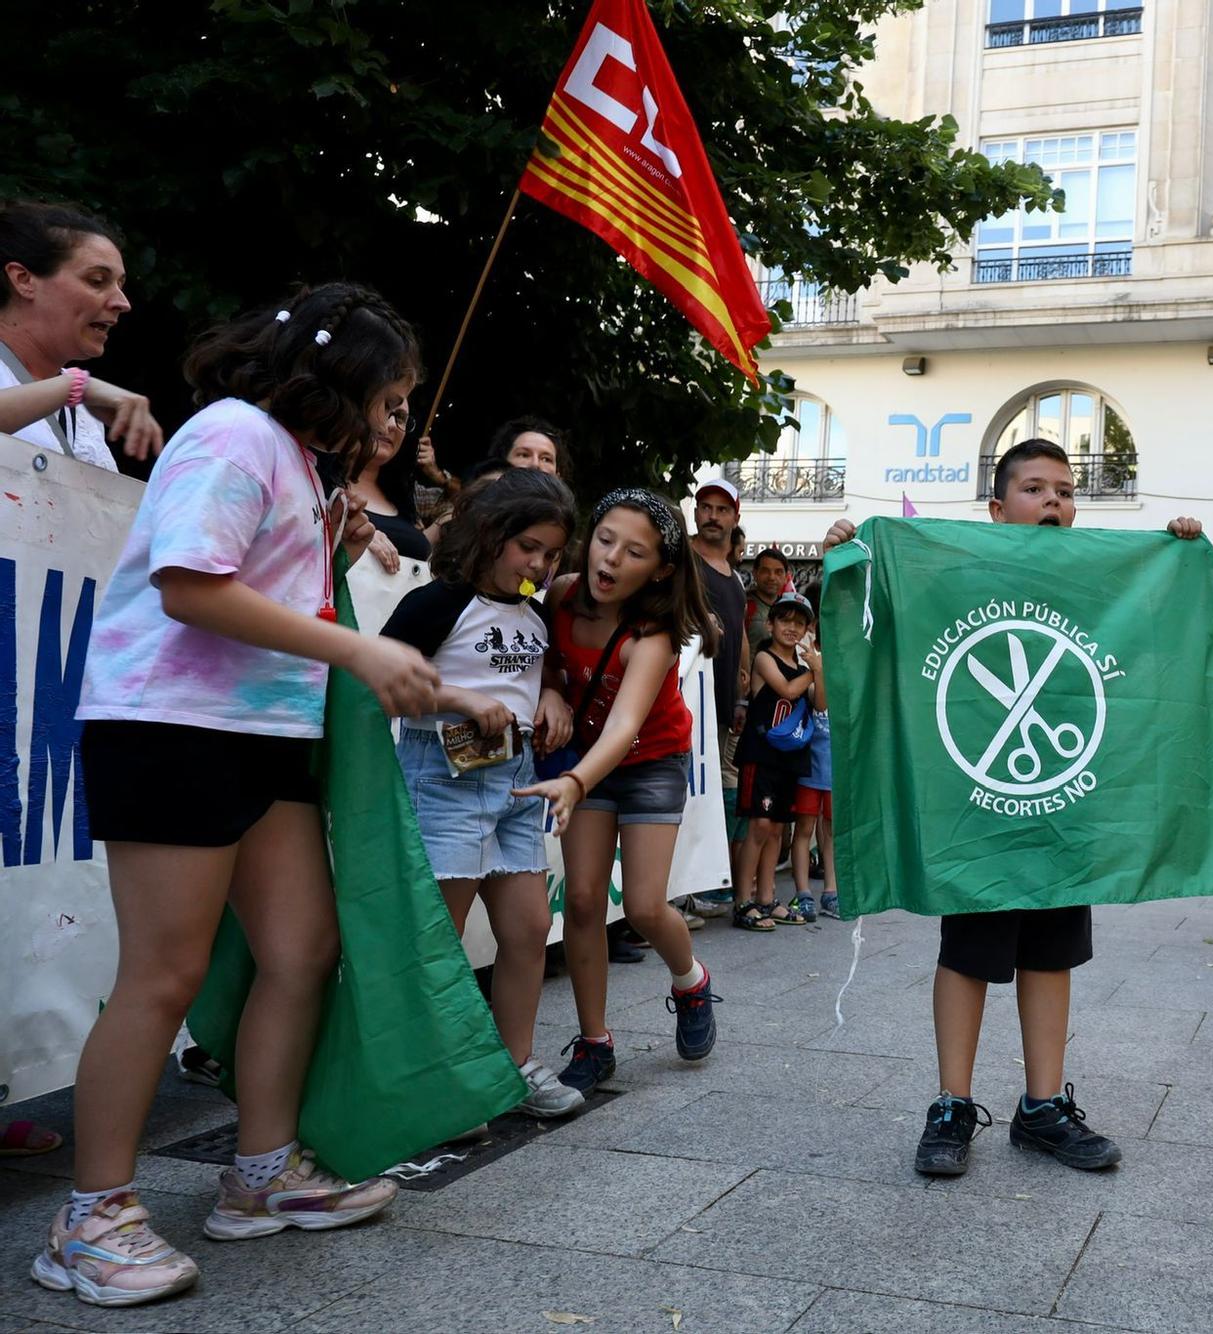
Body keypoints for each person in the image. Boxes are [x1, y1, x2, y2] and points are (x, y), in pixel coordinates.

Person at [42, 284, 437, 1308]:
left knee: (302, 949)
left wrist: (332, 552)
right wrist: (356, 643)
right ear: (337, 380)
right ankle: (89, 1217)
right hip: (169, 723)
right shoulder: (233, 434)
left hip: (260, 735)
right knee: (161, 976)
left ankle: (259, 1175)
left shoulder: (298, 462)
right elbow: (188, 583)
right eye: (389, 399)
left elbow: (255, 584)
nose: (396, 423)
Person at [823, 438, 1202, 1179]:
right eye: (1035, 489)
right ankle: (953, 1104)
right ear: (998, 510)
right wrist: (850, 554)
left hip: (1063, 803)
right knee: (969, 951)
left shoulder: (1095, 582)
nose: (1054, 501)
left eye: (1064, 490)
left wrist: (1178, 553)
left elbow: (1154, 627)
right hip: (979, 806)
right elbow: (885, 613)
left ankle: (1041, 1108)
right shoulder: (958, 571)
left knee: (1052, 948)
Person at [381, 467, 581, 1117]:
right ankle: (430, 1077)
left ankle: (513, 1064)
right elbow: (379, 675)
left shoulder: (535, 612)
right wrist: (457, 698)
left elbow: (538, 670)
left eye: (551, 554)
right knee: (441, 937)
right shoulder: (437, 602)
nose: (539, 564)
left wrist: (550, 694)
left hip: (517, 784)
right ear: (491, 535)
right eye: (530, 547)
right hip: (442, 775)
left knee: (527, 929)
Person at [512, 490, 720, 1094]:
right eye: (605, 539)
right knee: (580, 901)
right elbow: (542, 654)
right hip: (588, 760)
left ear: (659, 569)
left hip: (650, 761)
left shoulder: (653, 634)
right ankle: (595, 1041)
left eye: (633, 553)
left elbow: (628, 725)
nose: (611, 560)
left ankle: (691, 981)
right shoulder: (559, 592)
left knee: (646, 907)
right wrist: (550, 689)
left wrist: (576, 780)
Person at [0, 201, 163, 469]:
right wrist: (77, 387)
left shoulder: (83, 412)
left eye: (121, 285)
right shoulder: (77, 391)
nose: (123, 303)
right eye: (97, 281)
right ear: (23, 279)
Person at [735, 591, 819, 927]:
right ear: (770, 623)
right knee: (759, 825)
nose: (792, 627)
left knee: (777, 830)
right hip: (762, 754)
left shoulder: (805, 666)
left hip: (792, 757)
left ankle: (766, 898)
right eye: (785, 620)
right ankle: (743, 900)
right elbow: (786, 690)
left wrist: (817, 668)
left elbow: (822, 703)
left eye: (799, 623)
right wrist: (814, 671)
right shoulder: (764, 658)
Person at [691, 482, 753, 915]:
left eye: (721, 509)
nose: (712, 516)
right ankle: (676, 897)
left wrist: (743, 684)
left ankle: (702, 886)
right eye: (705, 508)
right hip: (687, 702)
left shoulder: (733, 575)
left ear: (734, 516)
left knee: (716, 798)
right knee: (687, 798)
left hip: (722, 706)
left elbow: (741, 631)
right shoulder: (684, 562)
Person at [795, 585, 839, 921]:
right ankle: (803, 892)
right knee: (804, 830)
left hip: (836, 772)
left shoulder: (850, 679)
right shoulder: (812, 676)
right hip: (810, 771)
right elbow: (820, 704)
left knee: (832, 832)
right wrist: (820, 670)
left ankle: (832, 891)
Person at [351, 398, 431, 571]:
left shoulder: (403, 495)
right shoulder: (323, 481)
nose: (393, 424)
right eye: (385, 410)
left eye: (401, 417)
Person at [746, 547, 789, 653]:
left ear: (786, 577)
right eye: (765, 571)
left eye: (778, 572)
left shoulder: (791, 609)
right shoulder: (742, 604)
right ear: (755, 574)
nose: (772, 577)